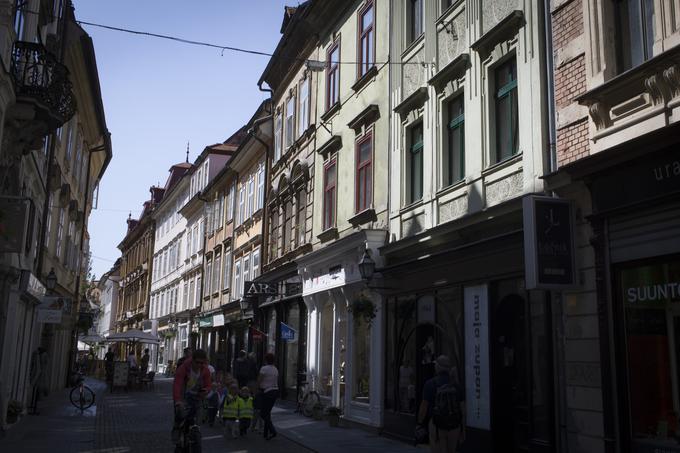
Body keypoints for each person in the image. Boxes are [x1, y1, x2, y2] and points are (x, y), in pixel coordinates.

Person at [417, 355, 465, 453]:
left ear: (437, 367)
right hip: (454, 425)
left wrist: (419, 423)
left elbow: (424, 407)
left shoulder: (430, 384)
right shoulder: (456, 385)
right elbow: (463, 409)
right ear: (449, 368)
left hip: (436, 424)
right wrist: (463, 429)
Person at [172, 349, 212, 444]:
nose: (199, 365)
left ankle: (195, 438)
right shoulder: (183, 368)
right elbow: (177, 385)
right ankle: (177, 429)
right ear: (192, 360)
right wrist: (178, 400)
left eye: (202, 363)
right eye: (197, 362)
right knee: (180, 414)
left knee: (197, 420)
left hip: (197, 397)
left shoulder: (205, 370)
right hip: (183, 396)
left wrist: (206, 390)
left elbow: (208, 385)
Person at [257, 352, 279, 440]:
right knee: (267, 412)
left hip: (267, 392)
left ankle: (273, 431)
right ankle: (266, 433)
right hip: (275, 391)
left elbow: (259, 380)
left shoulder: (264, 368)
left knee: (263, 413)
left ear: (266, 360)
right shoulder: (275, 369)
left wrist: (256, 388)